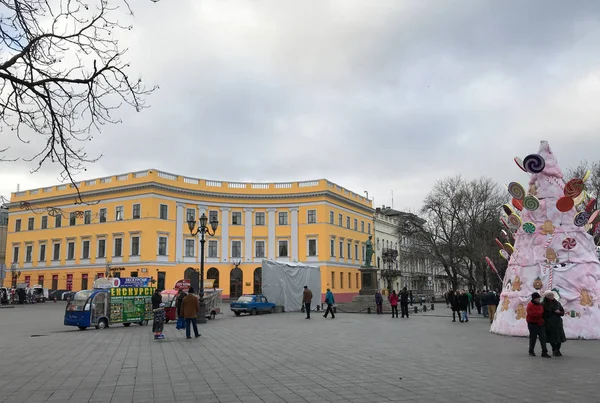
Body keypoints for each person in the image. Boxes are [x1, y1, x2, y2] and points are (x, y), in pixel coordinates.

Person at [526, 292, 550, 358]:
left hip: (541, 323)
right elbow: (532, 314)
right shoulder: (530, 305)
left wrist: (541, 314)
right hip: (533, 324)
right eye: (538, 298)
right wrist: (540, 313)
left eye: (539, 298)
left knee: (543, 338)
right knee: (533, 338)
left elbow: (542, 312)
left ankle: (544, 352)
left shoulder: (540, 305)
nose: (539, 299)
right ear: (534, 298)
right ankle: (531, 351)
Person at [542, 290, 566, 356]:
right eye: (550, 295)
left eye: (552, 295)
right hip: (549, 323)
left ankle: (557, 350)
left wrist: (559, 312)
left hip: (558, 323)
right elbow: (543, 314)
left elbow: (562, 312)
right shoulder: (543, 304)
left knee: (559, 338)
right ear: (546, 297)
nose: (552, 296)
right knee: (551, 338)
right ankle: (554, 349)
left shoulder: (557, 303)